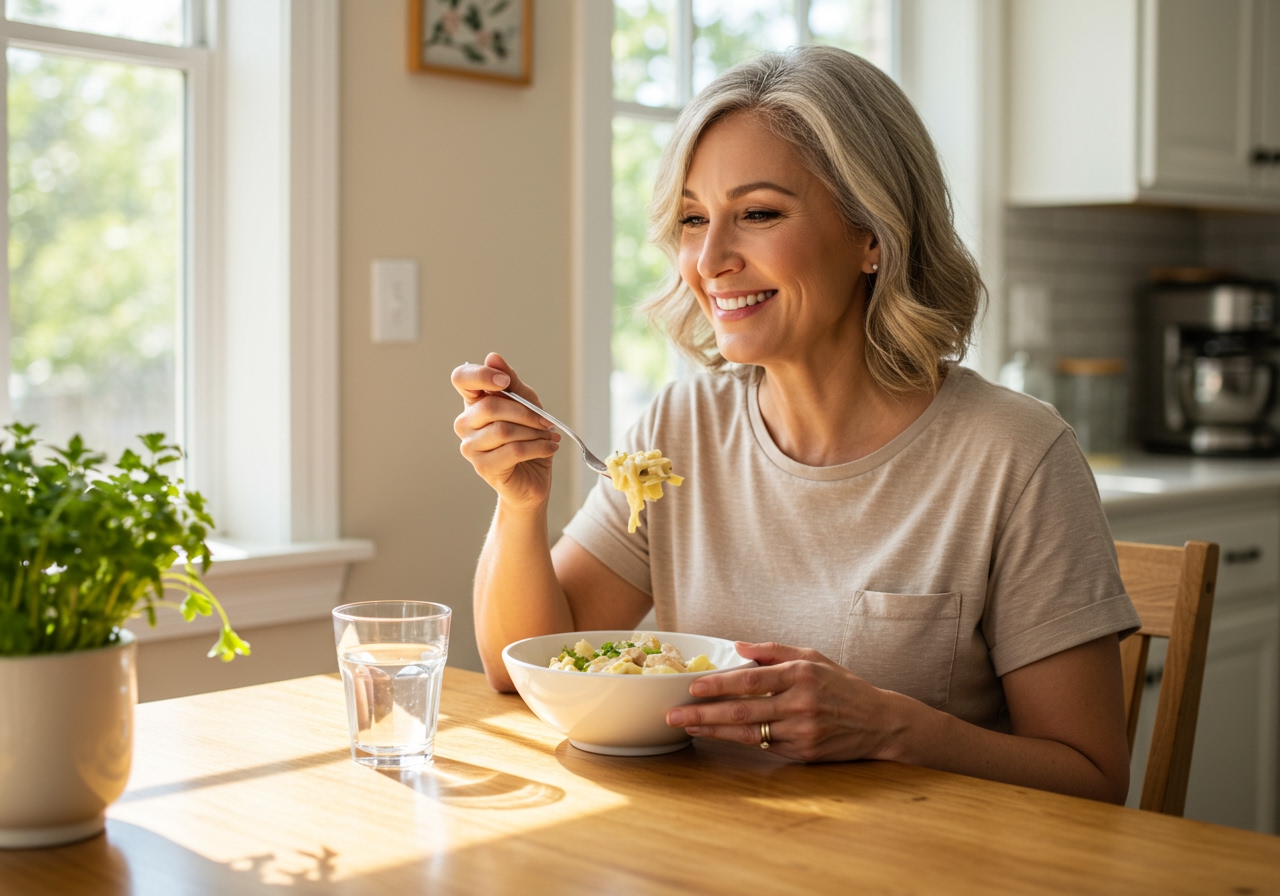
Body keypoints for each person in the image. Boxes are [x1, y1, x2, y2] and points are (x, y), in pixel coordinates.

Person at [451, 45, 1139, 804]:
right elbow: (521, 662)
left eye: (758, 214)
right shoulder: (679, 430)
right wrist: (520, 506)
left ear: (871, 234)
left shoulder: (1015, 454)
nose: (709, 259)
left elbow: (1094, 779)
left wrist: (891, 728)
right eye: (692, 219)